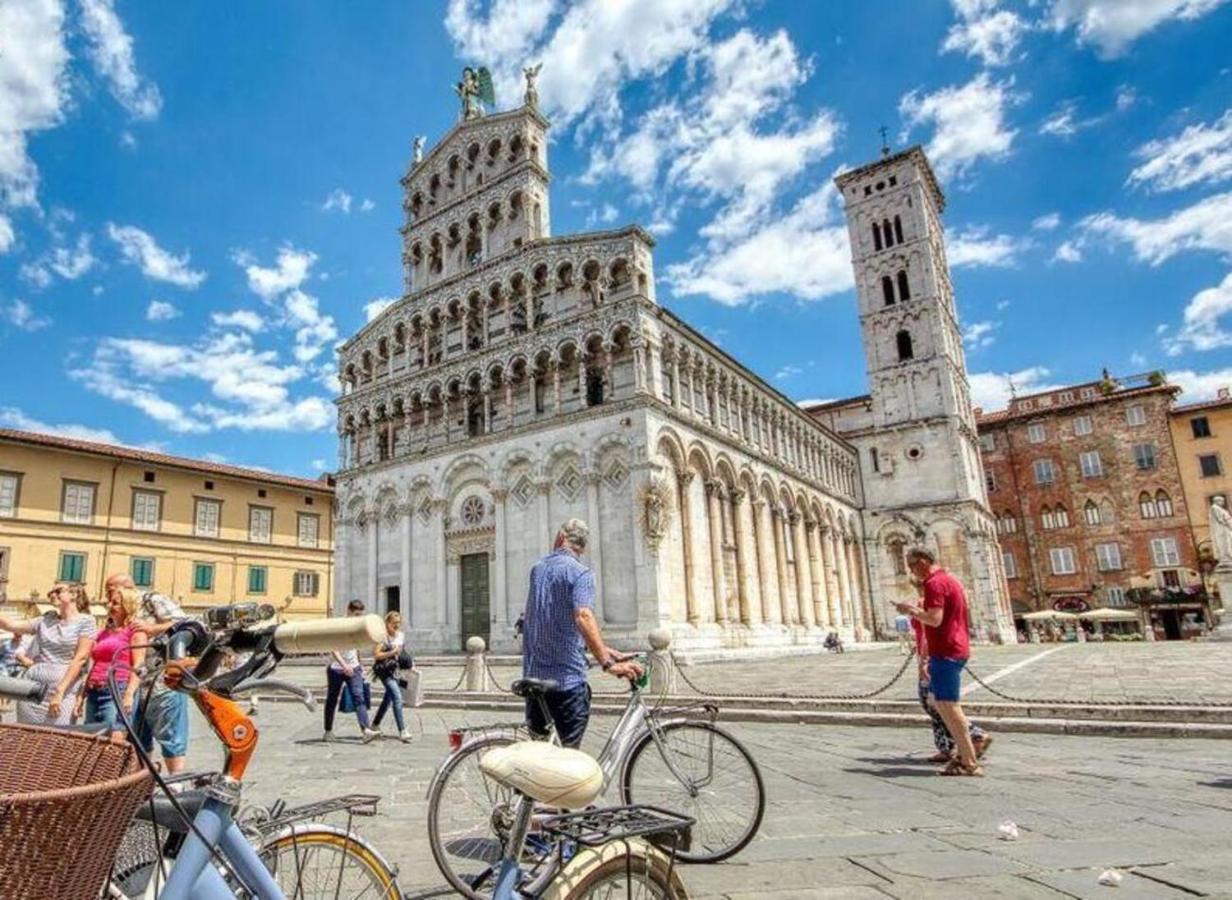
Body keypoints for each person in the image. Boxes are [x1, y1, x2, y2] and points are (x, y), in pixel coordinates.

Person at [521, 519, 642, 749]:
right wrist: (607, 663)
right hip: (566, 684)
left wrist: (602, 649)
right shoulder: (581, 574)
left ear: (559, 538)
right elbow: (583, 616)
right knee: (567, 763)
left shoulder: (537, 570)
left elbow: (548, 622)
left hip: (535, 680)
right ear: (583, 548)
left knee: (539, 761)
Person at [895, 548, 985, 776]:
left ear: (924, 562)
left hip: (946, 651)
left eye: (912, 564)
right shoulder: (950, 581)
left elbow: (934, 620)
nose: (910, 570)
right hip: (952, 649)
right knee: (940, 704)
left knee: (949, 707)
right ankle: (964, 755)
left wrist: (910, 610)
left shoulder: (935, 584)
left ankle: (970, 761)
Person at [106, 573, 192, 773]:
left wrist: (152, 628)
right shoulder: (120, 611)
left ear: (125, 587)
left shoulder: (153, 600)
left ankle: (174, 783)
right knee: (139, 736)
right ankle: (144, 785)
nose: (106, 596)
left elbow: (186, 624)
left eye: (109, 589)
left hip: (161, 677)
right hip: (134, 681)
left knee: (171, 733)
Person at [908, 588, 991, 763]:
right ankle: (946, 747)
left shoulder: (927, 604)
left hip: (933, 657)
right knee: (935, 706)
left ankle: (974, 735)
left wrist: (924, 661)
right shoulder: (930, 601)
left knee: (936, 704)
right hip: (936, 656)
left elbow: (927, 636)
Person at [0, 582, 97, 725]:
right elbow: (11, 625)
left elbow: (80, 658)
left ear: (74, 595)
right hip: (32, 687)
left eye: (58, 591)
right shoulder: (45, 619)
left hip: (63, 690)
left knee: (58, 739)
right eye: (50, 593)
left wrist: (60, 691)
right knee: (26, 737)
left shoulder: (86, 621)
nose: (53, 595)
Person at [80, 585, 146, 737]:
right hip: (95, 690)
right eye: (110, 602)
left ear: (127, 606)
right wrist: (82, 694)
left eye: (115, 603)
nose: (110, 606)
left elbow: (139, 665)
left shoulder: (135, 632)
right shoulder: (103, 632)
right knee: (92, 738)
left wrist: (129, 694)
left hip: (117, 689)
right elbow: (94, 663)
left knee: (115, 739)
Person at [323, 599, 378, 743]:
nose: (358, 617)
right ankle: (328, 731)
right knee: (332, 699)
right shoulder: (338, 625)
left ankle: (365, 730)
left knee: (359, 696)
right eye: (356, 614)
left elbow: (357, 647)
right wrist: (343, 665)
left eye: (360, 615)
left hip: (354, 668)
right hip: (336, 669)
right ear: (349, 610)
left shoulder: (358, 626)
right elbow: (333, 648)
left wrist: (360, 665)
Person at [371, 610, 412, 743]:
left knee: (387, 699)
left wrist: (410, 665)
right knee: (397, 697)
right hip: (385, 672)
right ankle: (402, 730)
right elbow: (376, 655)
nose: (397, 625)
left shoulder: (400, 636)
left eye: (398, 623)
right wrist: (392, 652)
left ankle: (375, 724)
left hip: (397, 671)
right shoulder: (382, 637)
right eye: (394, 623)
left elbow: (402, 652)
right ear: (387, 623)